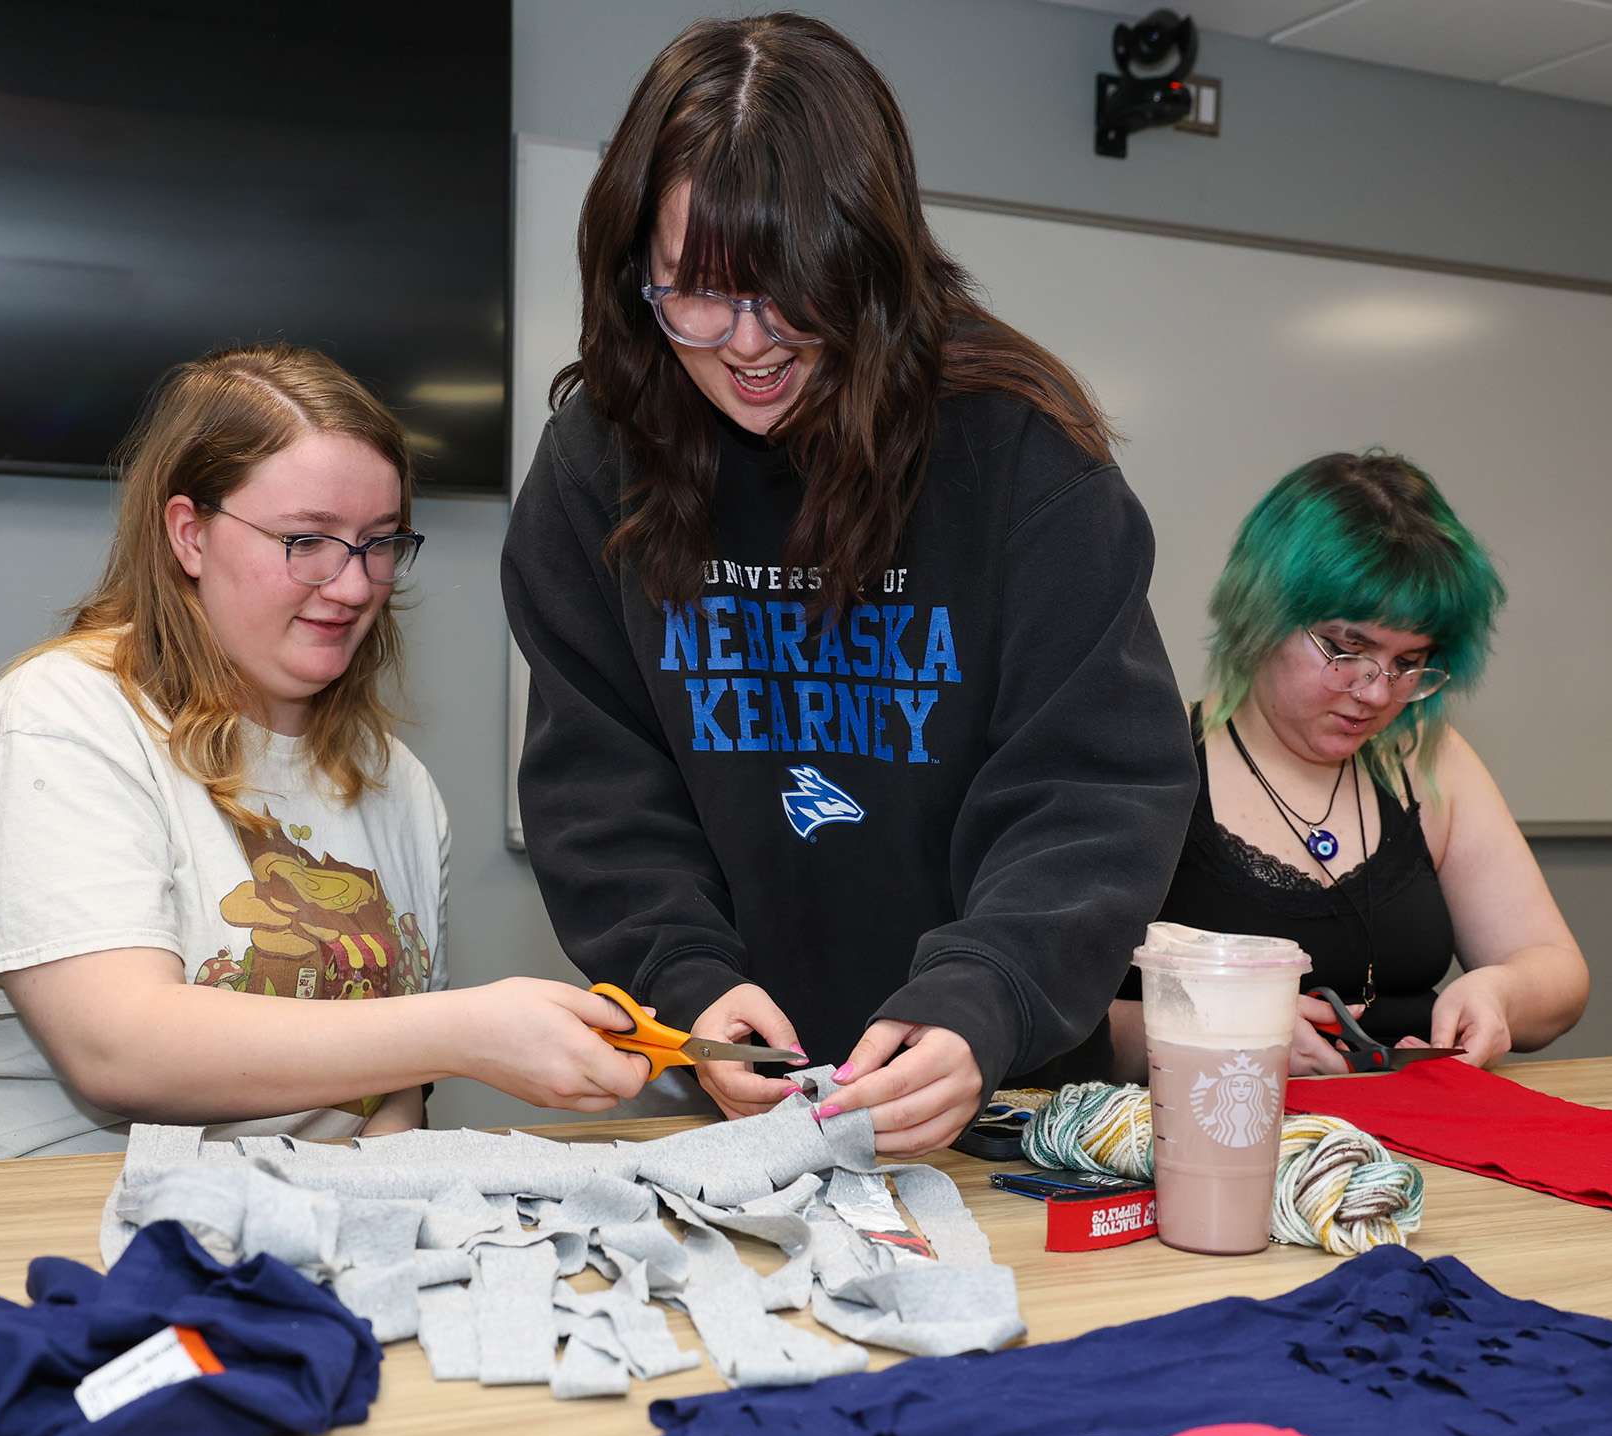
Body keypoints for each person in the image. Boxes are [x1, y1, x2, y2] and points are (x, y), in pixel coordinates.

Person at [502, 14, 1197, 1159]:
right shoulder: (597, 462)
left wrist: (987, 992)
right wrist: (683, 980)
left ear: (870, 265)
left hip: (996, 1091)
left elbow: (1092, 788)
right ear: (636, 275)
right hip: (735, 1091)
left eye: (789, 295)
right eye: (693, 296)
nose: (746, 345)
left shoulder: (1018, 452)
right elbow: (602, 783)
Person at [0, 345, 649, 1166]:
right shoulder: (62, 718)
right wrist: (466, 1033)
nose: (354, 584)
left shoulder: (396, 781)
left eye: (378, 542)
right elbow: (120, 1054)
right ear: (189, 533)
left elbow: (393, 1091)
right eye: (307, 540)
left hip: (248, 1227)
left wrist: (381, 1200)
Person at [1104, 452, 1590, 1080]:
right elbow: (1060, 1022)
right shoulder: (1155, 757)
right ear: (1261, 615)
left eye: (1410, 661)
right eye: (1346, 648)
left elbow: (1555, 969)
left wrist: (1502, 994)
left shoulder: (1425, 761)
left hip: (1414, 1142)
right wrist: (1216, 1033)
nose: (1377, 692)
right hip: (1212, 1133)